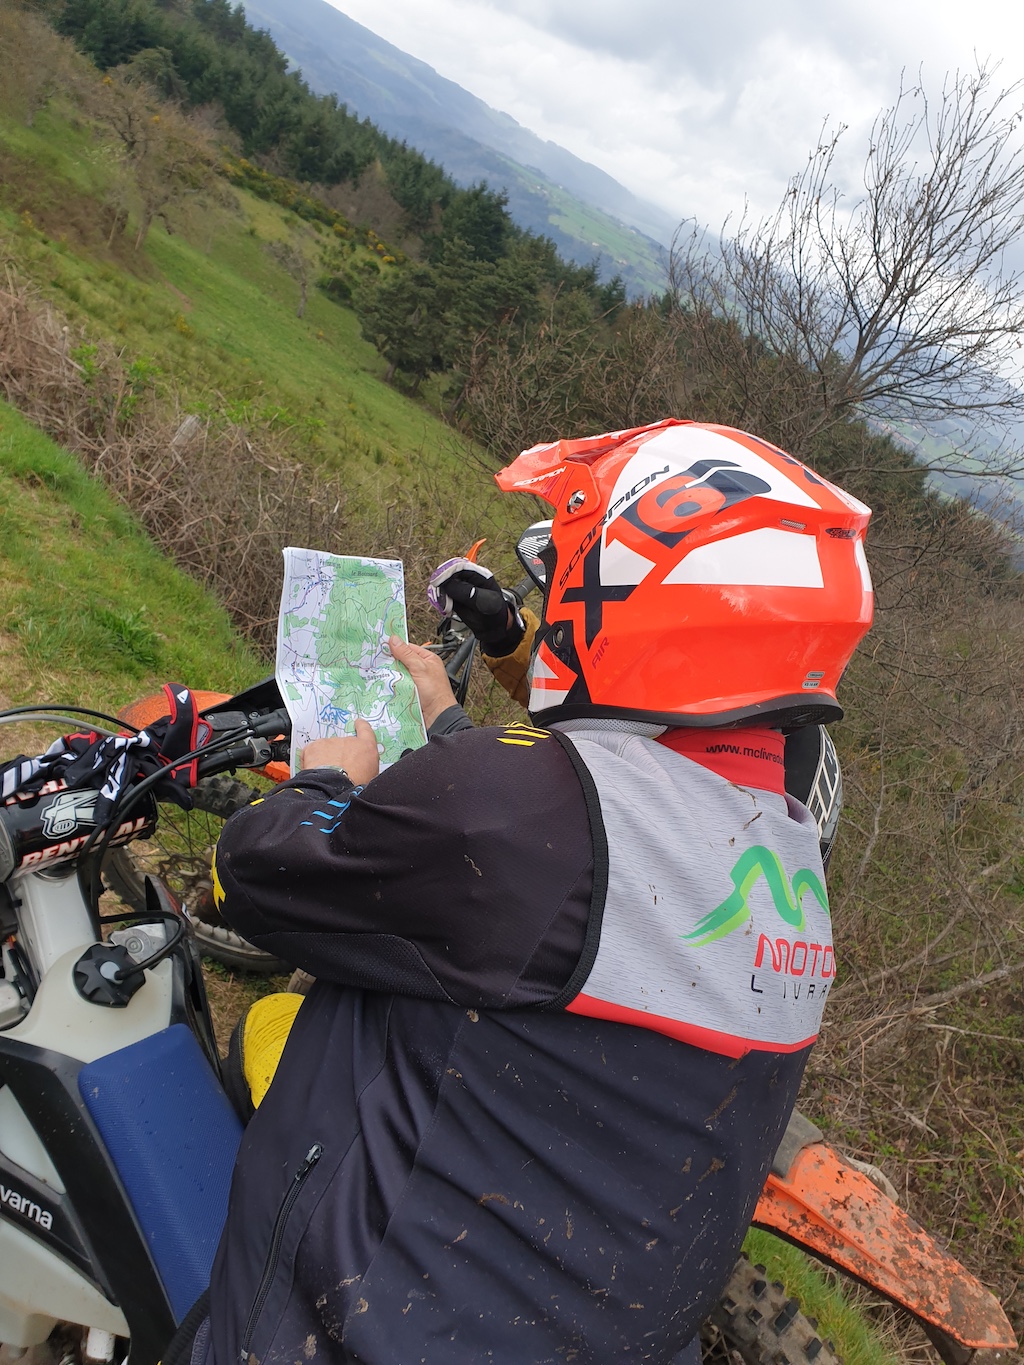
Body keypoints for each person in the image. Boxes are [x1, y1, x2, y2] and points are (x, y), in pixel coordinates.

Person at [200, 419, 873, 1365]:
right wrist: (444, 715)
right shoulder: (793, 876)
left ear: (634, 601)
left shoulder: (521, 810)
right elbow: (564, 861)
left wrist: (325, 782)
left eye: (573, 575)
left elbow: (259, 871)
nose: (558, 601)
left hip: (356, 1328)